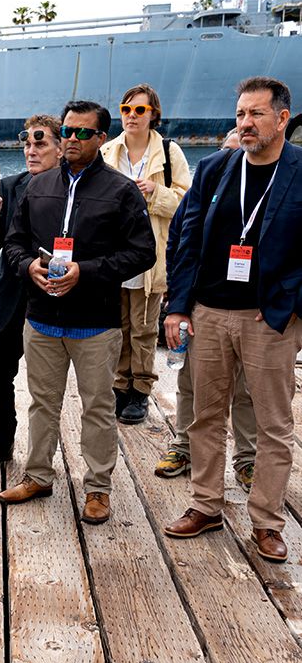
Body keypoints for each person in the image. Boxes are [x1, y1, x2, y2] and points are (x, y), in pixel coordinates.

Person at [163, 77, 301, 562]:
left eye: (256, 115)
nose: (244, 123)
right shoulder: (216, 167)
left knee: (273, 426)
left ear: (282, 119)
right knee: (206, 416)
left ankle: (266, 521)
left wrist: (288, 300)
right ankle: (206, 505)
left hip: (270, 320)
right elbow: (184, 239)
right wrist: (178, 306)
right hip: (210, 313)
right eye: (241, 114)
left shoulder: (300, 171)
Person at [0, 100, 155, 523]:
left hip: (95, 322)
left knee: (98, 407)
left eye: (82, 133)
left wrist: (83, 272)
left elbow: (143, 252)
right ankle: (37, 475)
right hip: (42, 318)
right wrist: (28, 265)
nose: (71, 138)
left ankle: (98, 488)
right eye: (67, 130)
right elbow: (14, 243)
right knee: (41, 403)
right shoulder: (39, 185)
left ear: (101, 139)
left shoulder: (121, 190)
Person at [155, 129, 257, 487]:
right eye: (227, 151)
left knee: (246, 389)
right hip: (202, 306)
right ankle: (183, 446)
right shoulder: (206, 188)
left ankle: (247, 459)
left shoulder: (263, 193)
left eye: (240, 152)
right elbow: (179, 244)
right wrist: (176, 300)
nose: (234, 159)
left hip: (250, 311)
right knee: (190, 382)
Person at [0, 113, 63, 468]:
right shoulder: (10, 186)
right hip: (11, 299)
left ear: (60, 146)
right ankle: (1, 440)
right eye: (27, 143)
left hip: (55, 299)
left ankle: (44, 454)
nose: (31, 150)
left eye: (40, 143)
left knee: (48, 386)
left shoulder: (73, 190)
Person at [100, 84, 192, 424]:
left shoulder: (169, 153)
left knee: (143, 329)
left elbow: (187, 204)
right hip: (113, 255)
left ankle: (140, 390)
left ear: (153, 113)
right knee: (116, 327)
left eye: (140, 110)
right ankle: (119, 385)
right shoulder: (108, 152)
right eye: (126, 109)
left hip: (149, 254)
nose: (131, 116)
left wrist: (156, 192)